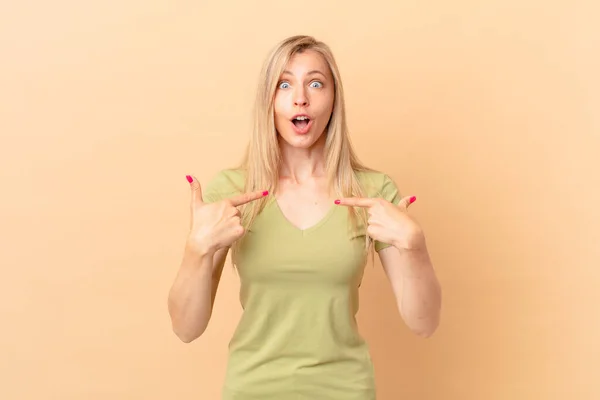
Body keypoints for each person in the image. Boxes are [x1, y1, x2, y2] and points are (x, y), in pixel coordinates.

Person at [167, 35, 442, 400]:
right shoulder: (232, 191)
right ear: (270, 100)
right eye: (285, 84)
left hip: (346, 390)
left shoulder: (371, 192)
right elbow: (186, 328)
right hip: (252, 390)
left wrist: (415, 246)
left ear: (333, 100)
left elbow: (424, 323)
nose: (301, 98)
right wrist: (196, 249)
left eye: (315, 83)